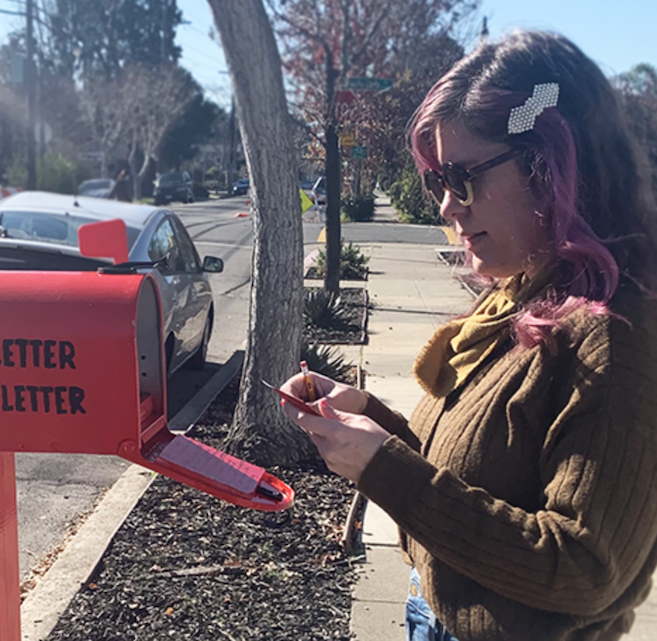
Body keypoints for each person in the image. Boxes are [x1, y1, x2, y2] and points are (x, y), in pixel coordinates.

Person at [280, 30, 657, 641]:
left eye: (462, 176)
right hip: (434, 611)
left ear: (551, 161)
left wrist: (385, 468)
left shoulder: (614, 336)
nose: (447, 207)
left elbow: (586, 569)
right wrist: (370, 422)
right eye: (435, 182)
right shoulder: (528, 294)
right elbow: (471, 478)